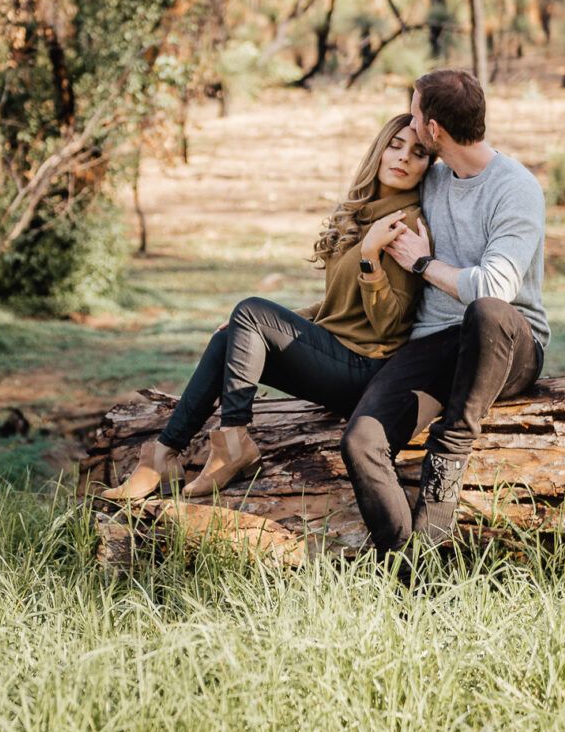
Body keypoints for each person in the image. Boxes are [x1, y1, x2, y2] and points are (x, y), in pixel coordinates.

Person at [104, 114, 435, 501]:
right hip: (338, 356)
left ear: (427, 167)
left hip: (365, 372)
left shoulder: (405, 225)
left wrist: (370, 258)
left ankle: (233, 443)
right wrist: (255, 328)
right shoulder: (365, 212)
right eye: (395, 145)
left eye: (419, 152)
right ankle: (162, 456)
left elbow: (389, 327)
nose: (404, 157)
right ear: (379, 150)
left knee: (250, 310)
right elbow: (338, 305)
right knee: (229, 337)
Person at [340, 69, 548, 554]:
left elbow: (495, 287)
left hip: (508, 345)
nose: (410, 125)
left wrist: (424, 263)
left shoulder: (515, 187)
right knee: (361, 442)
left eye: (415, 116)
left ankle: (450, 449)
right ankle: (407, 566)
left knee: (486, 311)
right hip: (434, 344)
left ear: (434, 129)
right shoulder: (431, 179)